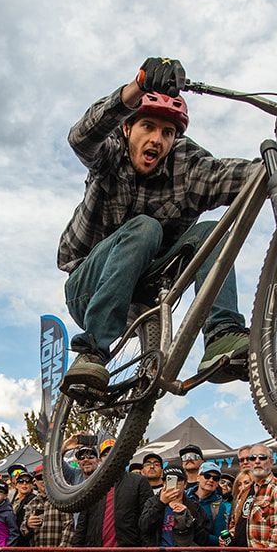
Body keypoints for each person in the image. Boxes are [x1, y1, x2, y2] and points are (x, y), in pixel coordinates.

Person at [57, 57, 257, 391]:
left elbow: (229, 175)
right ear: (127, 128)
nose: (156, 140)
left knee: (214, 231)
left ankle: (222, 333)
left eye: (166, 133)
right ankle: (92, 350)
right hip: (88, 288)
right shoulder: (111, 155)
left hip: (149, 285)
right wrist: (136, 87)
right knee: (146, 227)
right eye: (147, 127)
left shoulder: (185, 165)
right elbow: (82, 138)